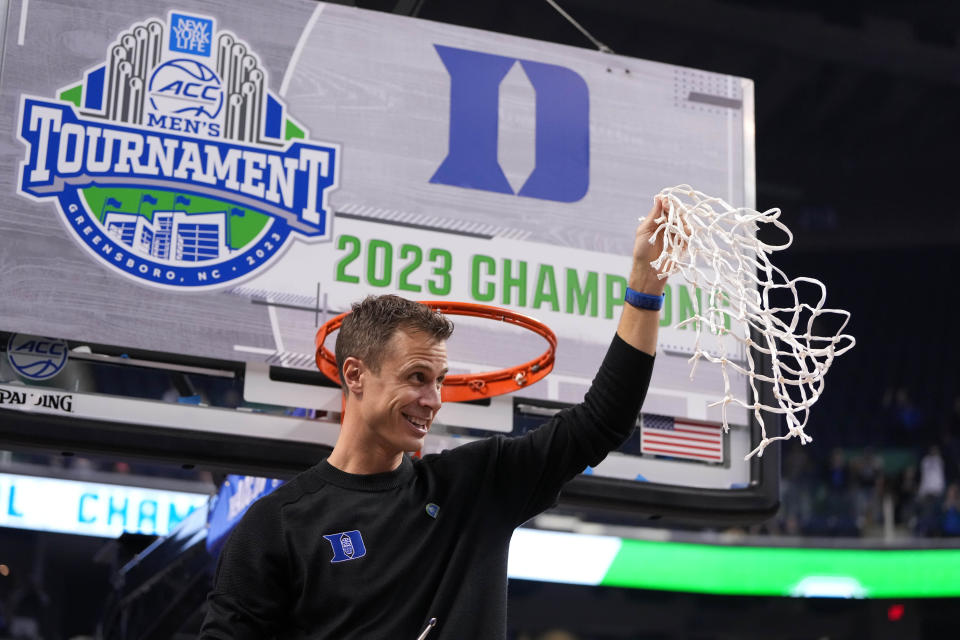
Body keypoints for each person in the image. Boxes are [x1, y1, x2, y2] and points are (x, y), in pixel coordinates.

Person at [199, 197, 673, 639]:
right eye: (417, 377)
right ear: (356, 375)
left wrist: (644, 292)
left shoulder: (477, 485)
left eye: (440, 380)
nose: (434, 398)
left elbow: (602, 421)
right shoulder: (275, 525)